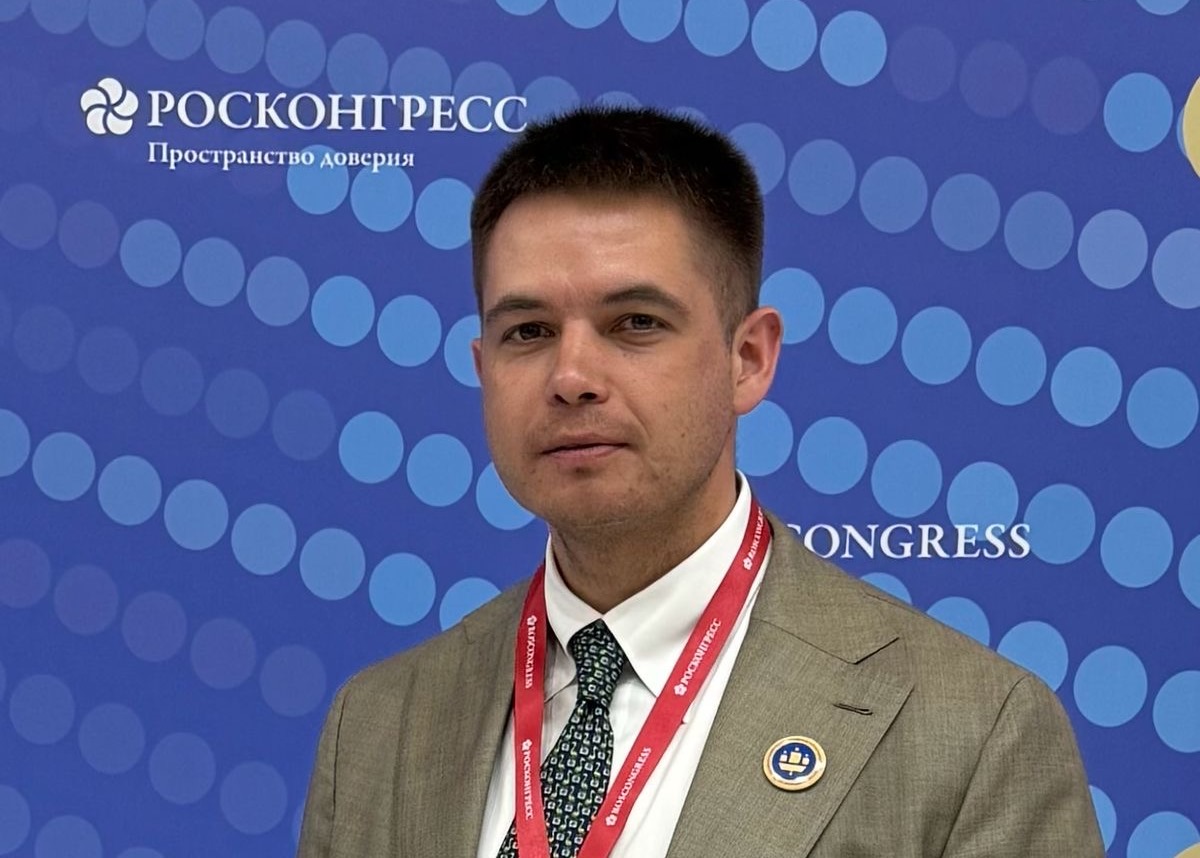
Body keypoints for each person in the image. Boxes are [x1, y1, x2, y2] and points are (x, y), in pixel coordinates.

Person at [297, 106, 1104, 858]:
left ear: (748, 359)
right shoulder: (376, 727)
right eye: (529, 331)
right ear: (483, 368)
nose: (571, 376)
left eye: (635, 324)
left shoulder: (973, 733)